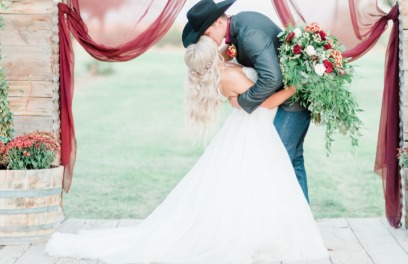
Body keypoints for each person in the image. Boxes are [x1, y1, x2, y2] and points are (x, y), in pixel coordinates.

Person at [46, 34, 329, 262]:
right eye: (213, 44)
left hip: (249, 127)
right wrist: (299, 84)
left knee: (252, 182)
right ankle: (263, 233)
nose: (218, 42)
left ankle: (268, 228)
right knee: (260, 179)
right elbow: (265, 102)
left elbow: (241, 93)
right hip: (255, 130)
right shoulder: (227, 76)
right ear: (210, 58)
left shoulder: (223, 70)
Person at [182, 0, 312, 201]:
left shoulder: (247, 34)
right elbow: (226, 57)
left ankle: (292, 223)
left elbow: (271, 79)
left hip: (290, 105)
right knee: (292, 161)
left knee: (281, 165)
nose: (209, 40)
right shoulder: (239, 25)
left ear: (218, 22)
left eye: (206, 34)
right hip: (287, 101)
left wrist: (242, 101)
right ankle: (301, 221)